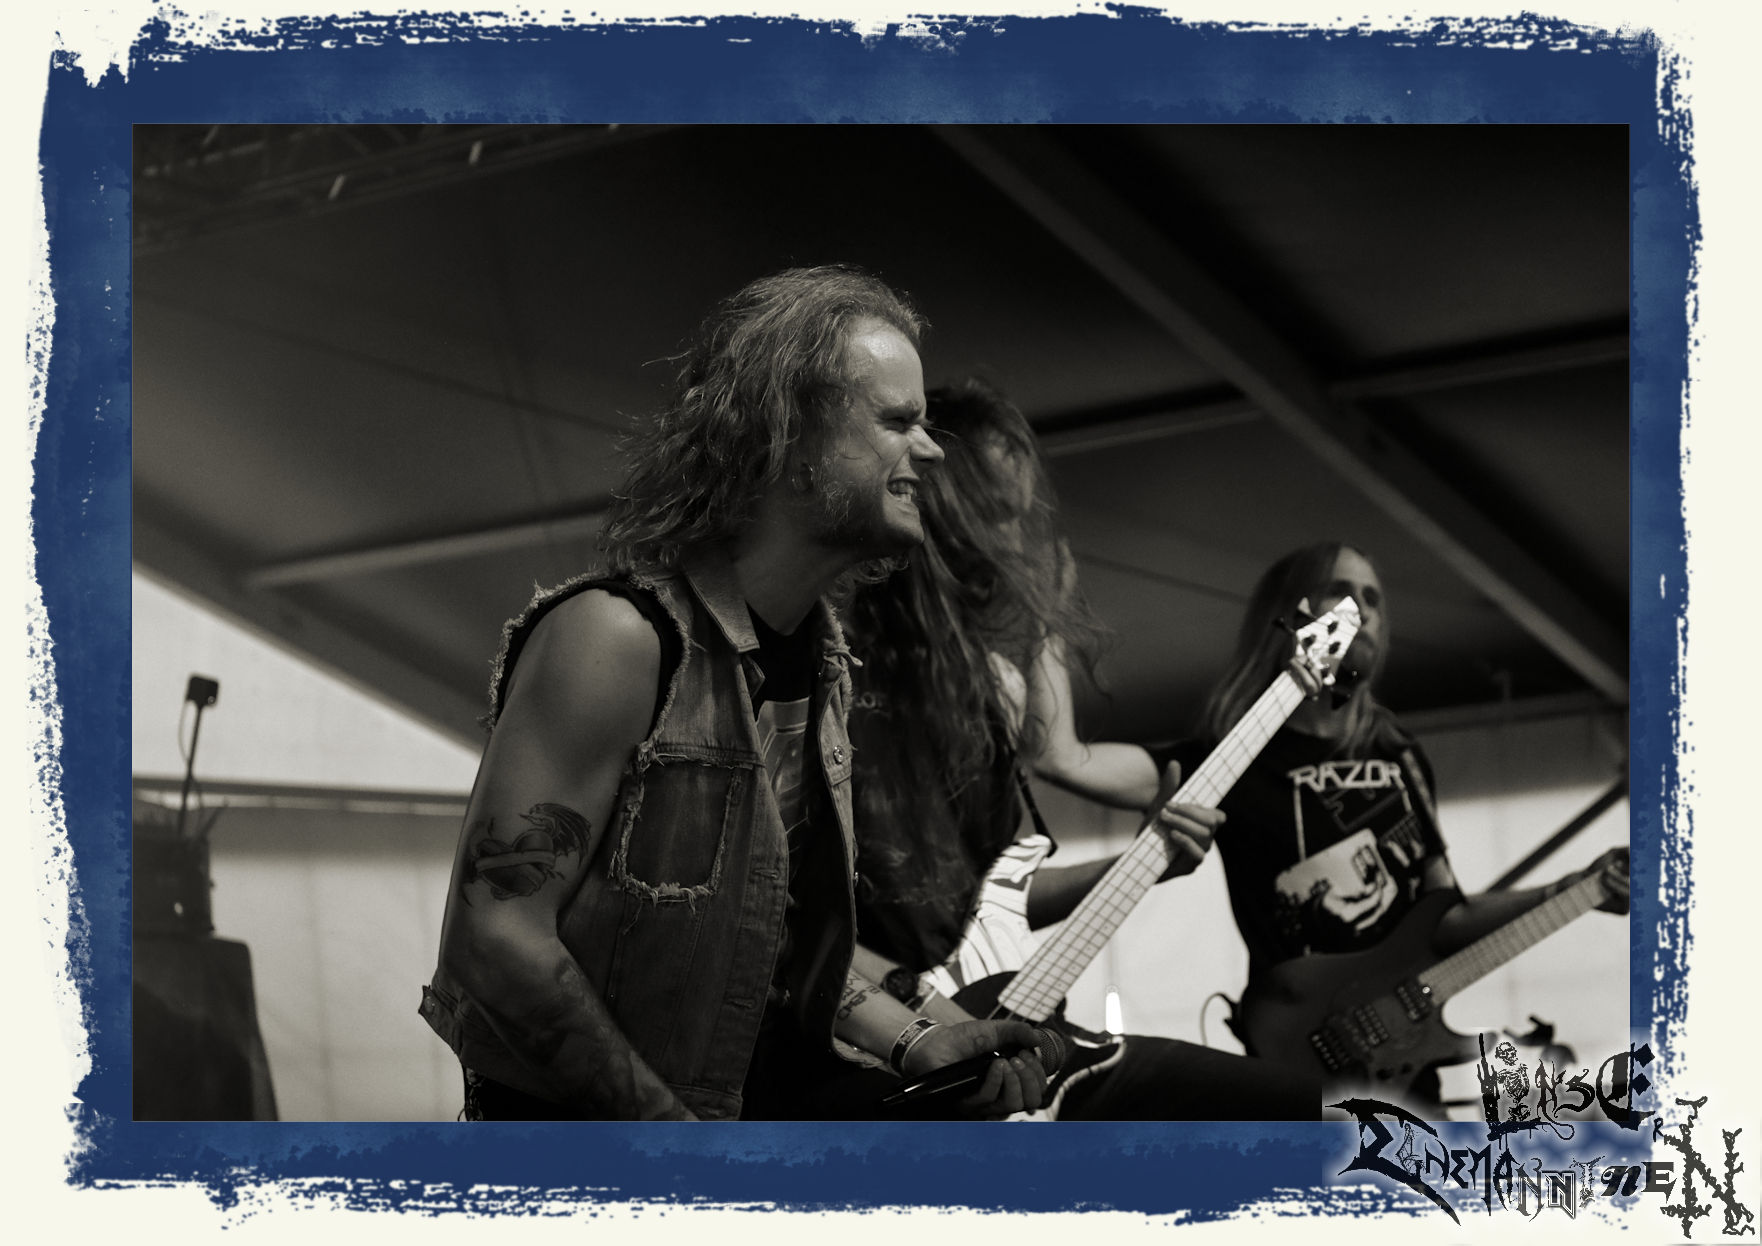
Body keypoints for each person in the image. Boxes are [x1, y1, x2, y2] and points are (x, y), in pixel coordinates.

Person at [418, 267, 1053, 1121]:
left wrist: (915, 1041)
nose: (933, 450)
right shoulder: (615, 638)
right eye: (899, 421)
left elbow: (763, 936)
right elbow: (494, 941)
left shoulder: (822, 663)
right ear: (791, 437)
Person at [838, 379, 1321, 1120]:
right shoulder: (842, 671)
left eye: (1023, 512)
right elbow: (791, 920)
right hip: (887, 1051)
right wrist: (912, 1010)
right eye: (1000, 512)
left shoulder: (990, 684)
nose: (1021, 541)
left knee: (1321, 1113)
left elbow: (994, 898)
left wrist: (1146, 861)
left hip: (1007, 1031)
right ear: (941, 510)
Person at [1153, 542, 1629, 1097]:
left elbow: (1446, 916)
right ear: (1287, 614)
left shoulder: (1399, 754)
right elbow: (1082, 764)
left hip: (1403, 1064)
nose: (1361, 609)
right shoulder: (1230, 755)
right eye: (1339, 592)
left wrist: (1577, 889)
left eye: (1373, 599)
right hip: (1299, 1052)